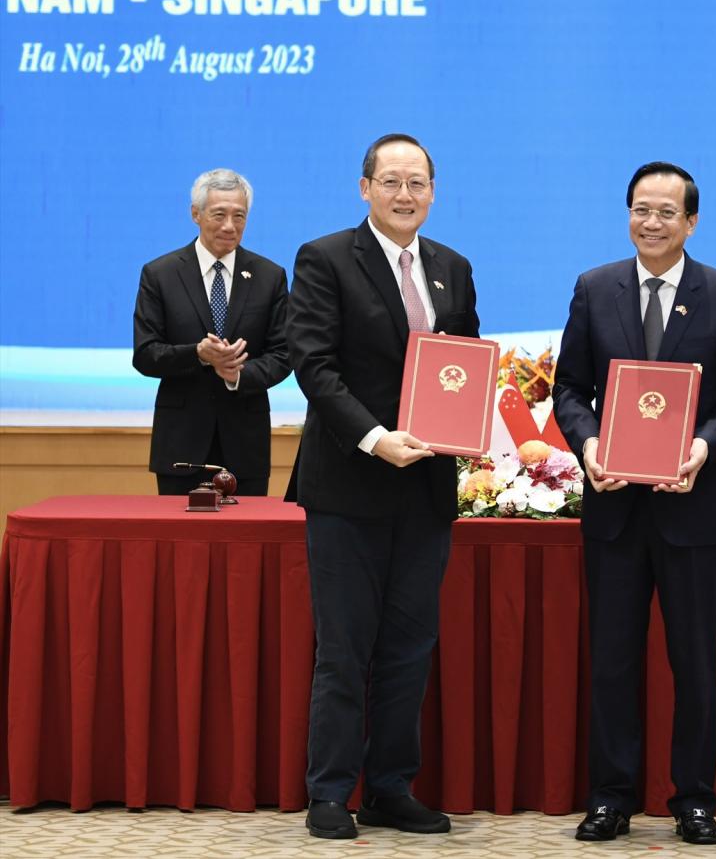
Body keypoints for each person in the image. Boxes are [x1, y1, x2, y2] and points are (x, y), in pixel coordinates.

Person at [553, 162, 716, 846]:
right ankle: (610, 797)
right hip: (615, 510)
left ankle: (694, 799)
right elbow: (570, 390)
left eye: (666, 212)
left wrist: (707, 446)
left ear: (691, 221)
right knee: (613, 660)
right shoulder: (595, 288)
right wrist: (589, 445)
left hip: (692, 511)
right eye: (640, 209)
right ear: (628, 214)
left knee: (695, 663)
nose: (652, 222)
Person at [285, 133, 479, 840]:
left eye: (418, 182)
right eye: (391, 181)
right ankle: (331, 792)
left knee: (408, 647)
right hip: (348, 486)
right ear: (364, 187)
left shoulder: (452, 269)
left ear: (433, 192)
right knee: (344, 649)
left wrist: (462, 432)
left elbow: (461, 369)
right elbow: (314, 364)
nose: (405, 194)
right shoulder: (325, 258)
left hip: (424, 488)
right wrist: (375, 438)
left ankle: (391, 788)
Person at [132, 168, 290, 496]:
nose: (229, 226)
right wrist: (198, 355)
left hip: (245, 443)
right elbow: (146, 354)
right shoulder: (160, 274)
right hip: (180, 444)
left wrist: (236, 374)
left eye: (239, 216)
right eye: (219, 214)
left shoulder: (269, 276)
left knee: (245, 543)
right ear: (196, 214)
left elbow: (283, 354)